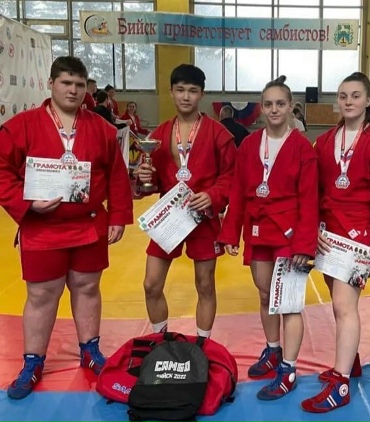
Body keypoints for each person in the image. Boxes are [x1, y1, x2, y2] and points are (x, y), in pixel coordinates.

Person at [0, 56, 133, 399]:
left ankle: (90, 351)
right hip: (41, 227)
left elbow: (117, 174)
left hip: (88, 226)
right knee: (42, 295)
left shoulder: (102, 128)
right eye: (65, 83)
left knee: (87, 287)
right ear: (51, 84)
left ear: (86, 88)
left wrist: (118, 215)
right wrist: (27, 203)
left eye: (78, 84)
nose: (72, 90)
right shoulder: (22, 126)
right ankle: (33, 362)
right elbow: (2, 170)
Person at [301, 72, 370, 413]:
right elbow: (314, 189)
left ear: (368, 100)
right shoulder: (325, 140)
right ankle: (351, 361)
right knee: (338, 302)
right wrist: (312, 227)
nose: (348, 101)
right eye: (343, 95)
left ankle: (341, 383)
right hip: (329, 233)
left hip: (359, 234)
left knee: (345, 307)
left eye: (356, 95)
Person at [218, 75, 318, 400]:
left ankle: (289, 369)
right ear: (261, 108)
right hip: (258, 228)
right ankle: (273, 349)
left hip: (289, 234)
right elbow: (237, 191)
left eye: (280, 104)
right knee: (265, 296)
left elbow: (310, 199)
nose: (274, 109)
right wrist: (230, 232)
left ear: (291, 108)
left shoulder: (302, 148)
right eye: (268, 104)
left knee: (288, 303)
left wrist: (304, 245)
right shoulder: (249, 145)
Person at [136, 64, 236, 338]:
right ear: (171, 92)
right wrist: (144, 176)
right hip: (169, 216)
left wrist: (213, 195)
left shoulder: (218, 134)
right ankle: (160, 340)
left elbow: (232, 176)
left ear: (201, 94)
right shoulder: (159, 134)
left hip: (202, 216)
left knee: (205, 284)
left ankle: (203, 344)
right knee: (151, 284)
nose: (186, 96)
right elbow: (152, 180)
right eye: (180, 90)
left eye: (192, 91)